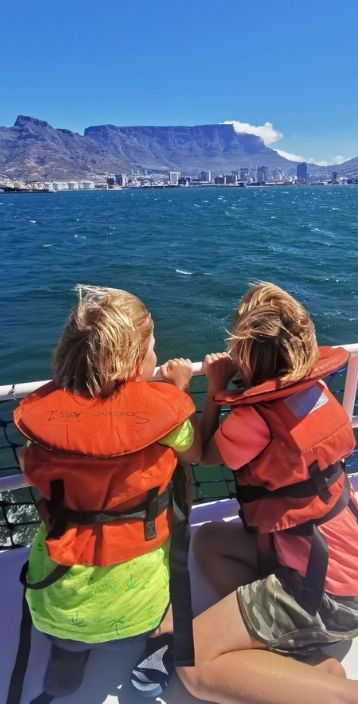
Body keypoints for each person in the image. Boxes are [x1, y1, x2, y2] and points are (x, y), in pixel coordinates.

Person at [177, 282, 358, 704]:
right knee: (209, 543)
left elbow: (200, 453)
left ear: (244, 354)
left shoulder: (251, 420)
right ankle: (306, 657)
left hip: (330, 596)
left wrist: (205, 390)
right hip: (353, 574)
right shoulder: (315, 392)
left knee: (192, 663)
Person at [9, 286, 200, 702]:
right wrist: (178, 391)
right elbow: (195, 452)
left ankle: (66, 668)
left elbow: (31, 468)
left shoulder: (44, 431)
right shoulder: (165, 415)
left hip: (55, 607)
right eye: (152, 348)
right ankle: (152, 657)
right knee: (171, 600)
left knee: (69, 643)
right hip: (136, 617)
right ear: (137, 363)